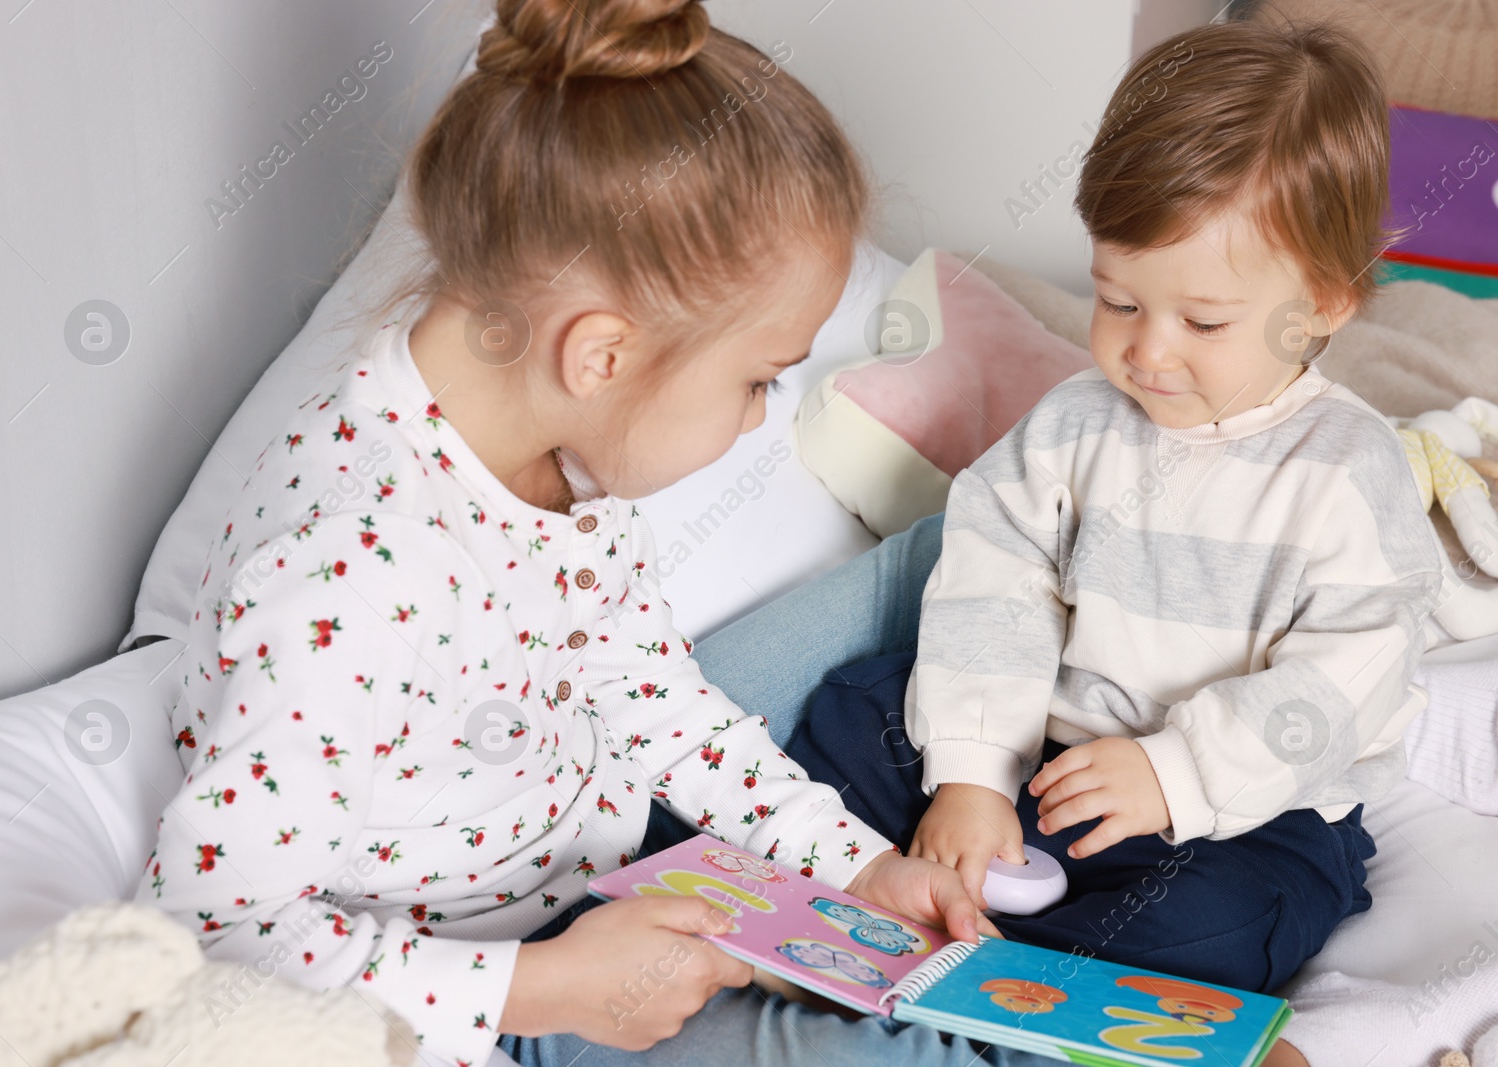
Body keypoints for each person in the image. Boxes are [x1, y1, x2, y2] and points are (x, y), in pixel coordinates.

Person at [132, 2, 1059, 1065]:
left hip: (602, 851)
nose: (765, 412)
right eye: (757, 377)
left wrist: (848, 864)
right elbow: (208, 924)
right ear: (603, 355)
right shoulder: (350, 576)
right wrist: (543, 985)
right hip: (497, 990)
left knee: (941, 556)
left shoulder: (540, 441)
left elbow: (654, 698)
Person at [783, 20, 1446, 1067]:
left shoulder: (1347, 472)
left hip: (1238, 810)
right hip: (1044, 760)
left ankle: (999, 966)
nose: (1146, 349)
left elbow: (1341, 683)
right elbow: (993, 581)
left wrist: (1177, 770)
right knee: (850, 712)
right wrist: (972, 770)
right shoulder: (1076, 422)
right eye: (1117, 299)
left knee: (1222, 921)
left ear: (1321, 303)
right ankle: (901, 889)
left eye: (1204, 322)